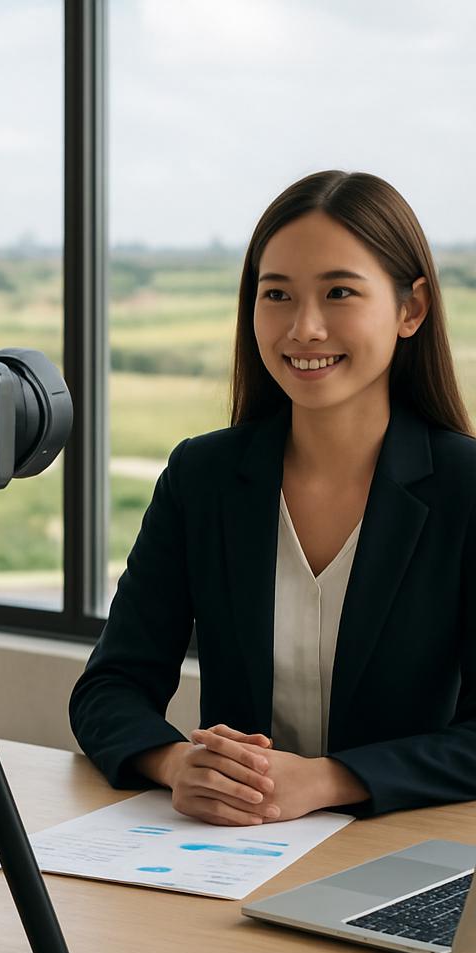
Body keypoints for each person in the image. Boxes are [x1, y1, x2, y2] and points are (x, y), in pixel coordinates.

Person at [71, 170, 476, 828]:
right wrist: (178, 763)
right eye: (277, 295)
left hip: (407, 850)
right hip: (232, 853)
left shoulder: (466, 488)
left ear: (412, 308)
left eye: (339, 292)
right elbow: (110, 687)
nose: (304, 328)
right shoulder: (200, 477)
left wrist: (327, 780)